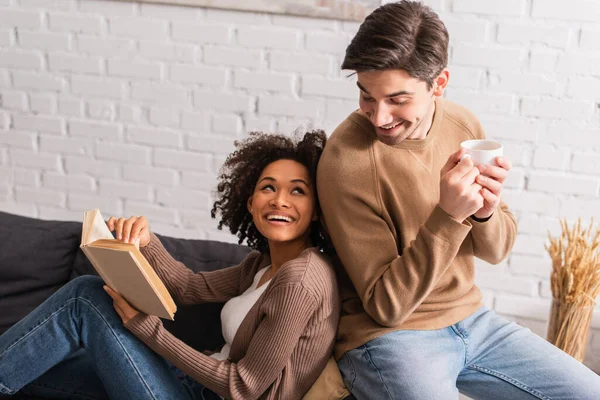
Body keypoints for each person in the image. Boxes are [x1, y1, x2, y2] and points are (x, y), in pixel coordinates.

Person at [316, 1, 600, 399]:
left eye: (398, 100)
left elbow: (497, 250)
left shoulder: (462, 125)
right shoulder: (347, 162)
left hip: (472, 320)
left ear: (439, 83)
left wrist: (484, 211)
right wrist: (448, 216)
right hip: (390, 338)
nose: (379, 117)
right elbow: (385, 306)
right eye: (366, 96)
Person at [0, 130, 340, 400]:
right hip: (188, 387)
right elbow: (188, 286)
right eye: (269, 187)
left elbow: (244, 387)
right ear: (251, 203)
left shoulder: (301, 278)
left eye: (298, 191)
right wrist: (147, 241)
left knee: (85, 297)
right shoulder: (261, 266)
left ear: (317, 208)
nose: (280, 199)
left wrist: (150, 332)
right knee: (38, 365)